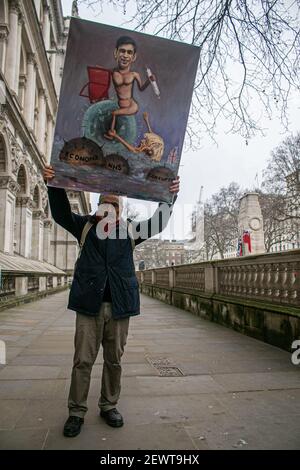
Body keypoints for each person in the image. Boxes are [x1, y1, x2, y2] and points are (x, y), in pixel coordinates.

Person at [43, 165, 180, 437]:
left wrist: (169, 196)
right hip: (88, 306)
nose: (108, 210)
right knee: (82, 360)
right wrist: (54, 184)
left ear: (120, 211)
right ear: (98, 207)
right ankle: (76, 411)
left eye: (113, 206)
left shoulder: (130, 231)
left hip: (119, 308)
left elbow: (159, 222)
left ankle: (108, 405)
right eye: (104, 204)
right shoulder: (84, 225)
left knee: (114, 360)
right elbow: (59, 213)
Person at [106, 35, 155, 138]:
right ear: (116, 53)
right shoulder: (112, 72)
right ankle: (112, 133)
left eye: (129, 52)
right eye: (122, 51)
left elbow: (141, 88)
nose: (125, 55)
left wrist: (149, 81)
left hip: (131, 106)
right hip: (120, 103)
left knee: (114, 113)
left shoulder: (134, 75)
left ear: (133, 57)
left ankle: (111, 134)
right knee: (114, 113)